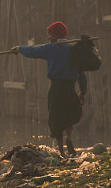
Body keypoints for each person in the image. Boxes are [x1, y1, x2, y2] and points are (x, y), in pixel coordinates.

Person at [12, 21, 89, 156]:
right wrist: (83, 91)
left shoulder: (51, 48)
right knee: (70, 115)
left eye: (49, 36)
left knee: (56, 118)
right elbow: (82, 73)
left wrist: (19, 49)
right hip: (70, 88)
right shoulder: (74, 49)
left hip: (57, 88)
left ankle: (61, 152)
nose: (48, 39)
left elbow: (33, 51)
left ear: (54, 36)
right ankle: (69, 138)